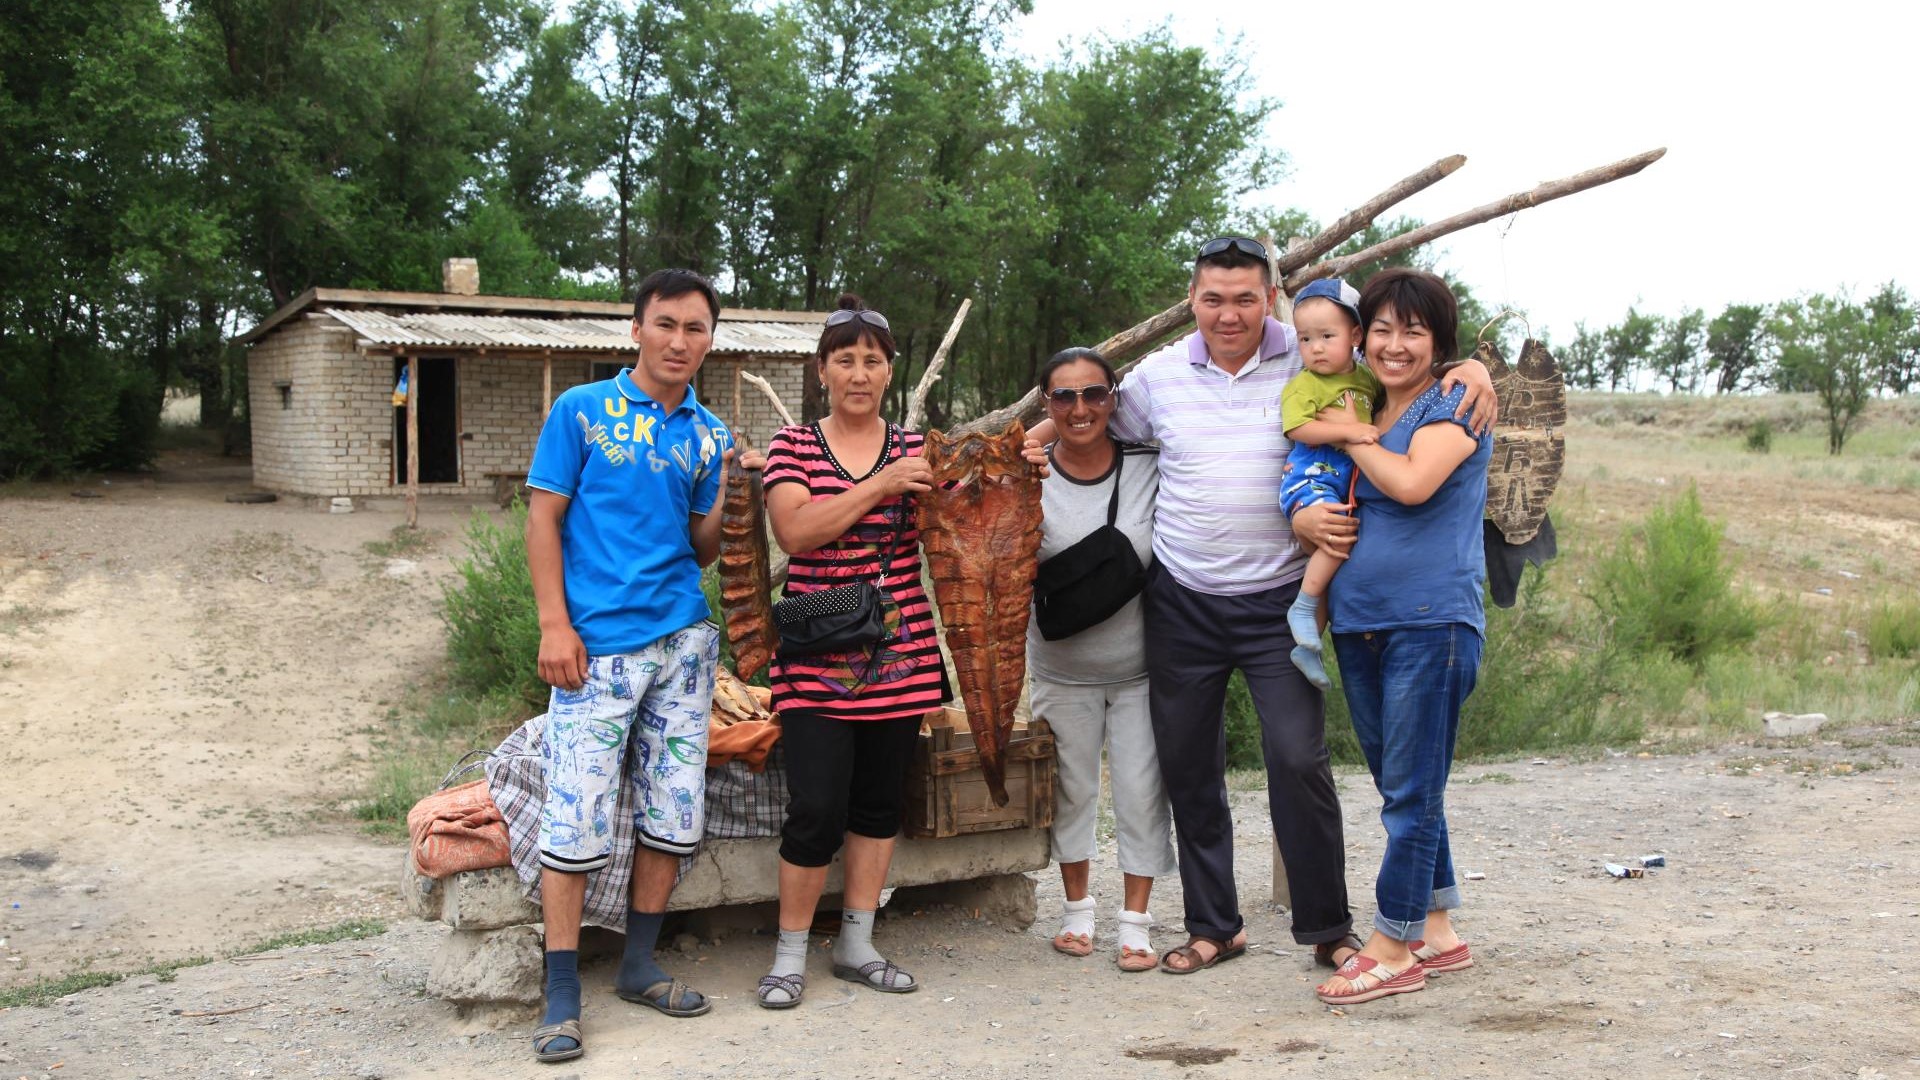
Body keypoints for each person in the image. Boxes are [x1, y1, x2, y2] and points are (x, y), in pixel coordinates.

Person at [1023, 237, 1496, 976]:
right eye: (1213, 298)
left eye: (1246, 297)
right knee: (1191, 769)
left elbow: (1414, 363)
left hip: (1282, 598)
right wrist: (1035, 438)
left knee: (1298, 761)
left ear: (1270, 297)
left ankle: (1328, 928)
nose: (1229, 313)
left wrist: (1474, 368)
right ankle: (1216, 926)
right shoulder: (1160, 376)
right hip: (1183, 599)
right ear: (1192, 301)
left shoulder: (1313, 350)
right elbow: (1088, 410)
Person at [522, 268, 734, 1063]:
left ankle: (639, 964)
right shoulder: (581, 412)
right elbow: (544, 520)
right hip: (596, 647)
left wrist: (728, 493)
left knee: (673, 811)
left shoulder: (708, 434)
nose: (681, 342)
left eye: (697, 329)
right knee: (575, 815)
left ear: (711, 340)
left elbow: (702, 548)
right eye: (667, 324)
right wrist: (555, 625)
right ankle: (563, 991)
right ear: (636, 328)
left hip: (684, 645)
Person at [752, 294, 949, 1009]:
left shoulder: (919, 448)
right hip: (816, 656)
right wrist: (883, 485)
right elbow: (797, 533)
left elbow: (955, 520)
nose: (859, 373)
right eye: (846, 360)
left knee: (877, 804)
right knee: (816, 805)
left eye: (872, 360)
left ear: (889, 371)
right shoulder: (793, 446)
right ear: (822, 370)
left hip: (902, 653)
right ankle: (789, 953)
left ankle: (858, 943)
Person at [1312, 268, 1492, 1006]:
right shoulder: (1355, 400)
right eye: (1381, 328)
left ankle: (1391, 946)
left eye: (1412, 331)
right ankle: (1439, 931)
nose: (1394, 344)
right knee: (1404, 785)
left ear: (1437, 342)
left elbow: (1414, 484)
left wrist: (1349, 438)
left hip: (1431, 622)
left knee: (1411, 793)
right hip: (1362, 624)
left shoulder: (1454, 401)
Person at [1027, 347, 1176, 973]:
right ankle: (1077, 913)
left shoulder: (1151, 465)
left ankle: (1136, 923)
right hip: (1060, 667)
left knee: (1143, 792)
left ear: (1115, 399)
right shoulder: (1023, 474)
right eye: (1064, 397)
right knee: (1071, 790)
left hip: (1141, 666)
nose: (1080, 408)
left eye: (1094, 394)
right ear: (1046, 406)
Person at [1277, 277, 1382, 691]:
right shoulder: (1305, 384)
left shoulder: (1367, 380)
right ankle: (1302, 608)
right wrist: (1350, 433)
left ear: (1356, 336)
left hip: (1343, 482)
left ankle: (1308, 643)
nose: (1315, 348)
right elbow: (1297, 428)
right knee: (1336, 540)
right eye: (1305, 338)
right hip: (1308, 477)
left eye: (1327, 336)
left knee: (1339, 545)